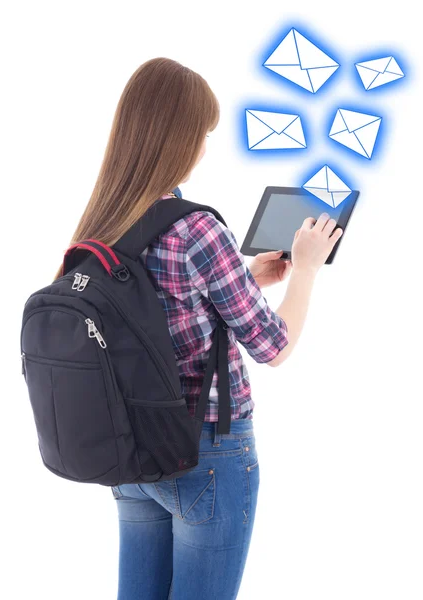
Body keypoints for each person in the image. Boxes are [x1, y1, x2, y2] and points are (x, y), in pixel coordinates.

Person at [55, 57, 342, 600]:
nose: (206, 146)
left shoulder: (104, 220)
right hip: (207, 453)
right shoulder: (196, 226)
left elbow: (160, 313)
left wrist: (250, 276)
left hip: (131, 456)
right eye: (203, 133)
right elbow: (273, 347)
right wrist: (304, 268)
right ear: (178, 138)